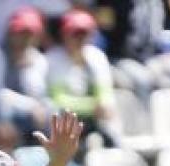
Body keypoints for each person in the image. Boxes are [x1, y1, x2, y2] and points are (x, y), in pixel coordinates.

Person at [46, 8, 120, 147]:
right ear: (64, 35)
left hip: (94, 118)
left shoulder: (97, 56)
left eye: (85, 34)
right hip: (66, 119)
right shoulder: (53, 59)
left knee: (112, 123)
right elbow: (58, 99)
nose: (80, 39)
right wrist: (92, 106)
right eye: (75, 34)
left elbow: (104, 92)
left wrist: (104, 105)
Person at [0, 6, 50, 144]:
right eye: (20, 33)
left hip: (26, 114)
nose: (24, 39)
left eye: (29, 34)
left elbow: (38, 95)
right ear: (10, 32)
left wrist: (27, 71)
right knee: (1, 111)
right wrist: (31, 106)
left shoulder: (38, 59)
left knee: (51, 110)